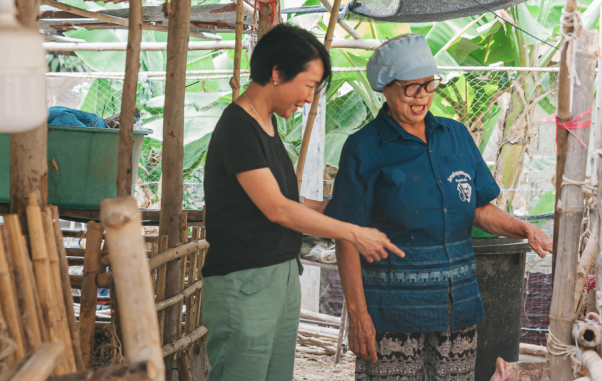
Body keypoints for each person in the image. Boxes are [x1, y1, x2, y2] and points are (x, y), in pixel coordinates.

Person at [324, 34, 553, 381]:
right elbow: (345, 236)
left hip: (456, 307)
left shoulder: (456, 136)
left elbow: (478, 208)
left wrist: (525, 228)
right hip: (393, 313)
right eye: (410, 88)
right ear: (385, 88)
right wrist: (358, 315)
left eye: (429, 85)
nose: (422, 97)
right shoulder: (364, 148)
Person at [201, 24, 405, 381]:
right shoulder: (237, 126)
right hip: (245, 281)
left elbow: (290, 201)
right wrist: (352, 232)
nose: (309, 99)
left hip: (279, 275)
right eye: (309, 86)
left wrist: (344, 207)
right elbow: (276, 209)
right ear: (277, 73)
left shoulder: (266, 124)